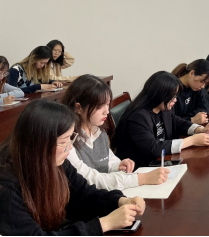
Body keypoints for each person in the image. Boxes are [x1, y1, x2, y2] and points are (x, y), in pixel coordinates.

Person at [0, 99, 146, 236]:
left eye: (71, 138)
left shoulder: (56, 162)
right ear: (39, 144)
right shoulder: (6, 186)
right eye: (64, 141)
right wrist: (104, 224)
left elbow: (84, 194)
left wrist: (120, 201)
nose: (70, 147)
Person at [61, 75, 170, 191]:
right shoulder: (67, 141)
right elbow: (89, 179)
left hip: (105, 193)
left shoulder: (99, 132)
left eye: (107, 104)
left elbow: (109, 161)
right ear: (78, 108)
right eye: (99, 107)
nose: (107, 111)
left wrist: (118, 165)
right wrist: (140, 179)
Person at [112, 71, 209, 168]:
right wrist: (192, 140)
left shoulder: (162, 109)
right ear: (159, 95)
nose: (175, 100)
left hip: (161, 161)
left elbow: (178, 122)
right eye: (172, 97)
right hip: (139, 167)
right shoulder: (138, 117)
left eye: (176, 96)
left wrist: (200, 129)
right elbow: (154, 148)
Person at [171, 60, 209, 124]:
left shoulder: (197, 88)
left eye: (205, 83)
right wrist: (191, 119)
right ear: (191, 73)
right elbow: (169, 120)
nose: (203, 86)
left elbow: (205, 108)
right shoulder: (172, 89)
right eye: (201, 81)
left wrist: (189, 118)